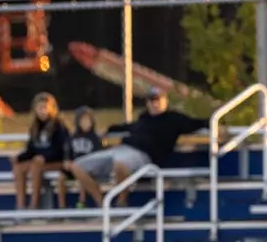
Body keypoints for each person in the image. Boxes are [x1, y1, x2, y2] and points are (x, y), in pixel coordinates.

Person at [70, 88, 208, 206]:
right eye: (151, 100)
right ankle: (102, 204)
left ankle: (121, 202)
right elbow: (129, 127)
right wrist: (110, 129)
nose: (154, 103)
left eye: (158, 100)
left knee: (120, 164)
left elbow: (195, 123)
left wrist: (214, 126)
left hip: (144, 155)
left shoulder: (173, 119)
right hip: (123, 148)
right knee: (77, 166)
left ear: (165, 101)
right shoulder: (144, 118)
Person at [13, 92, 71, 210]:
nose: (42, 111)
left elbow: (61, 148)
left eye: (45, 107)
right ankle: (20, 204)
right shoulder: (35, 127)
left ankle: (34, 204)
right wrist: (19, 158)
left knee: (36, 165)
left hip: (56, 161)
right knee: (19, 167)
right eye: (39, 108)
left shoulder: (59, 126)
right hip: (40, 161)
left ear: (51, 108)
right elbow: (31, 149)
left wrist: (44, 157)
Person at [64, 106, 104, 206]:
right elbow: (68, 151)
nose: (86, 123)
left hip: (90, 166)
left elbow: (98, 154)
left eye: (88, 120)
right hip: (74, 166)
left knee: (82, 173)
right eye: (83, 121)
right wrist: (67, 160)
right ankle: (61, 206)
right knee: (61, 178)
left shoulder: (94, 138)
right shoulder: (72, 137)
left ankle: (82, 202)